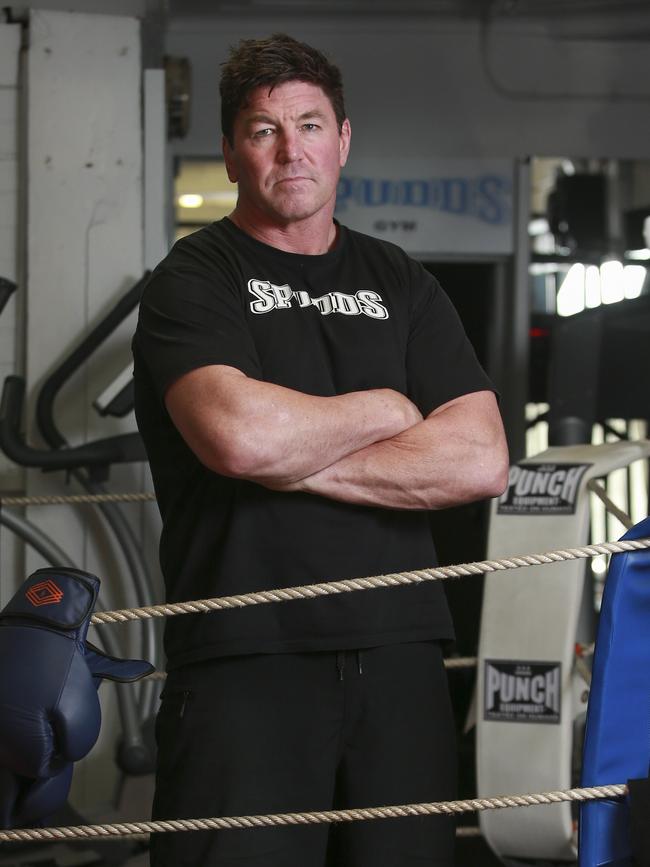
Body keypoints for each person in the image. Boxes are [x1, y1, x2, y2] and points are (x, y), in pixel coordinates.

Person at [132, 32, 509, 867]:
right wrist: (388, 408)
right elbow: (239, 435)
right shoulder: (194, 280)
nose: (291, 148)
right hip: (245, 654)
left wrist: (289, 456)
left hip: (402, 651)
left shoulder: (401, 280)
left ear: (343, 139)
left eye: (309, 124)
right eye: (265, 130)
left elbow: (480, 458)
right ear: (232, 153)